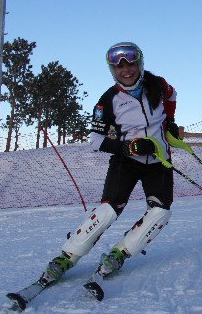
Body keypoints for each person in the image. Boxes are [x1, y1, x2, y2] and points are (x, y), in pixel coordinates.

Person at [35, 42, 179, 286]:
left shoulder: (158, 85)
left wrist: (170, 122)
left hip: (159, 161)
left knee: (161, 212)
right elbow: (96, 140)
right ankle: (67, 256)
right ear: (112, 70)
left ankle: (119, 253)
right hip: (127, 161)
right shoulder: (109, 100)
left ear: (140, 63)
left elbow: (172, 97)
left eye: (130, 63)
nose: (126, 69)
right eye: (118, 66)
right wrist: (128, 146)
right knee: (109, 210)